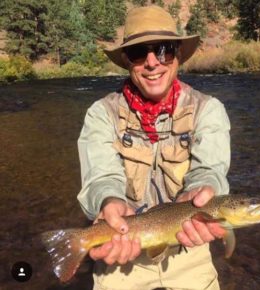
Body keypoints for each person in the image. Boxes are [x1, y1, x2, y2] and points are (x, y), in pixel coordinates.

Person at [77, 5, 230, 290]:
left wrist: (204, 188)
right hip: (122, 252)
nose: (152, 62)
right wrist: (109, 202)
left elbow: (210, 169)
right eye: (139, 53)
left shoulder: (209, 110)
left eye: (163, 49)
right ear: (126, 60)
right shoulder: (101, 114)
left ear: (178, 54)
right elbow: (100, 177)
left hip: (189, 250)